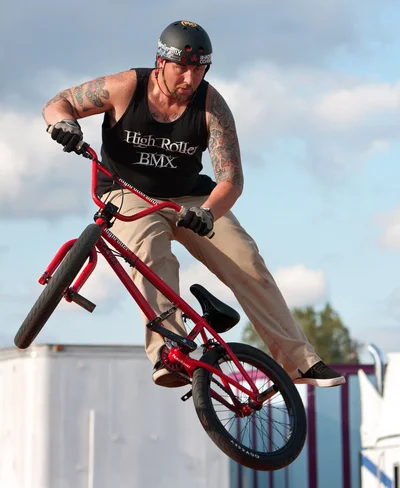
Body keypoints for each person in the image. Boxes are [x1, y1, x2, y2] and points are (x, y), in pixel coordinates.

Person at [43, 19, 345, 389]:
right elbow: (60, 104)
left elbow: (231, 180)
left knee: (247, 260)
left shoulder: (211, 106)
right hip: (126, 193)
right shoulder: (126, 87)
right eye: (182, 69)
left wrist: (209, 213)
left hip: (190, 198)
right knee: (151, 248)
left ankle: (300, 362)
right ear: (160, 63)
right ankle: (169, 350)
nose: (190, 79)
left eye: (198, 70)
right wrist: (63, 124)